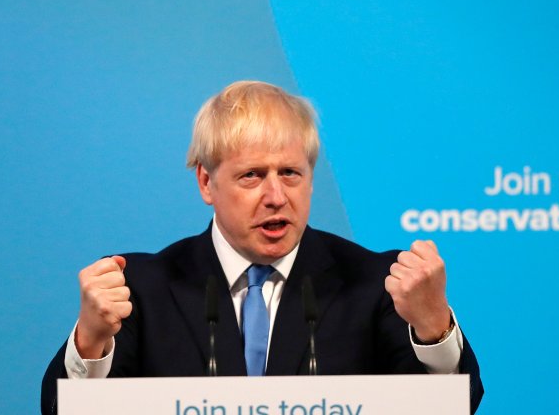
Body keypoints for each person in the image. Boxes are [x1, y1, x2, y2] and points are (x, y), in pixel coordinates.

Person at [41, 81, 483, 414]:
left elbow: (457, 407)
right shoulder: (140, 288)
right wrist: (92, 341)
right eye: (252, 175)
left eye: (290, 173)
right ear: (206, 182)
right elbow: (62, 410)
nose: (276, 196)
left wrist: (433, 329)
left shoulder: (375, 283)